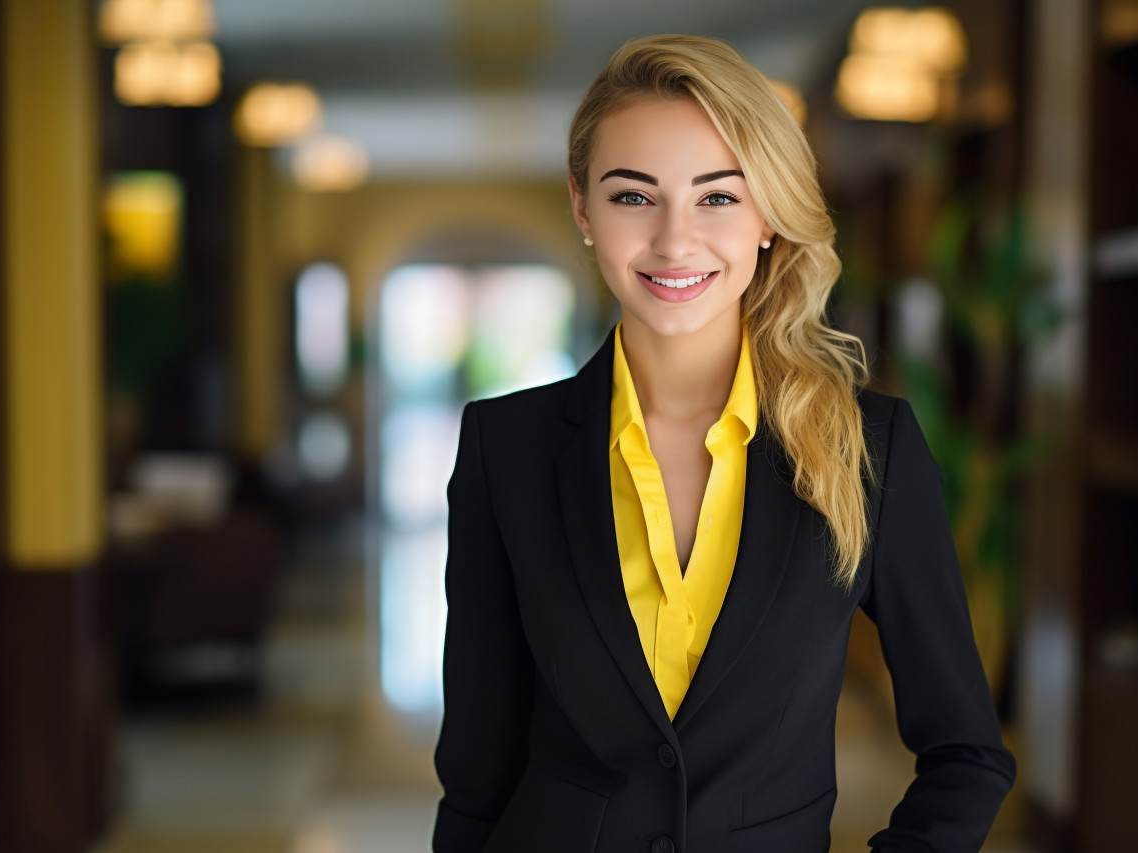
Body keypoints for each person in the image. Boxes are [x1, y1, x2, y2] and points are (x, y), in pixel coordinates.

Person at [431, 33, 1016, 853]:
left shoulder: (869, 449)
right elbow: (475, 775)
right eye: (633, 196)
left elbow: (966, 754)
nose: (675, 241)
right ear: (583, 210)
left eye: (716, 198)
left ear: (768, 215)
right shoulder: (505, 449)